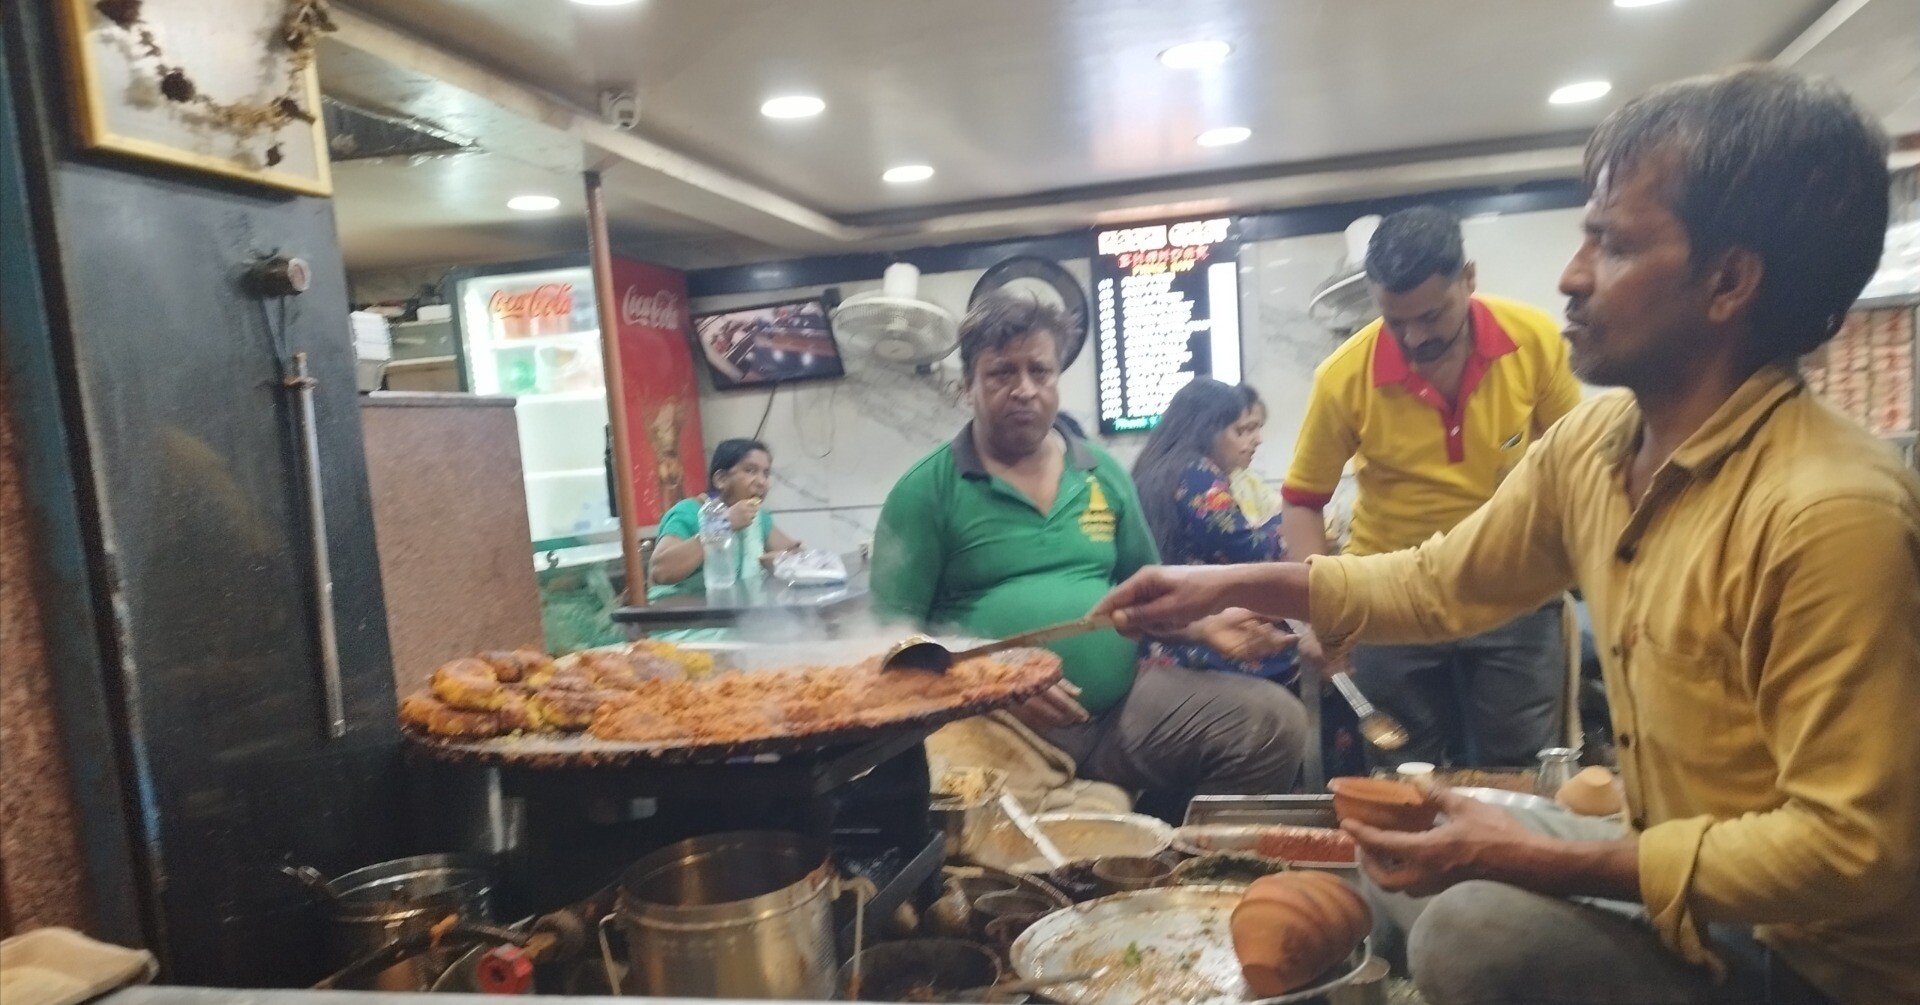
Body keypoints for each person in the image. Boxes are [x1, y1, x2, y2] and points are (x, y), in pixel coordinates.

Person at [1094, 67, 1917, 1005]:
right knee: (1393, 854)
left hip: (1801, 959)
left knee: (1470, 932)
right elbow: (1438, 583)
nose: (1573, 273)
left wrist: (1526, 854)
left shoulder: (1831, 512)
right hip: (1681, 879)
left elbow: (1855, 850)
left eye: (1613, 244)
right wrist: (1224, 587)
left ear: (1729, 281)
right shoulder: (1596, 447)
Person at [872, 295, 1310, 818]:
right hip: (993, 726)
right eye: (1001, 373)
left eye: (1040, 370)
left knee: (1274, 725)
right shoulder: (925, 491)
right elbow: (887, 650)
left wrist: (1203, 626)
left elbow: (1144, 595)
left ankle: (1182, 849)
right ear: (968, 385)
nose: (1024, 388)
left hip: (1119, 711)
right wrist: (988, 678)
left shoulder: (1101, 472)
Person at [1280, 205, 1585, 767]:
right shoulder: (1344, 377)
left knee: (1519, 767)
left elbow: (1577, 460)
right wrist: (1320, 611)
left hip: (1512, 585)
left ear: (1468, 279)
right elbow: (1302, 501)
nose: (1415, 337)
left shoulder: (1534, 340)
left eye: (1431, 316)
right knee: (1403, 772)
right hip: (1390, 597)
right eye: (1395, 321)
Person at [1130, 378, 1298, 683]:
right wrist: (1295, 519)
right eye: (1239, 431)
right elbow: (1247, 549)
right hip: (1194, 640)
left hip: (1161, 634)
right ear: (1210, 430)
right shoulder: (1197, 472)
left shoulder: (1153, 469)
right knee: (1301, 651)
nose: (1252, 441)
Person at [648, 438, 802, 603]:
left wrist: (779, 561)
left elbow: (797, 554)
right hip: (682, 615)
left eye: (765, 473)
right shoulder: (688, 512)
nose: (762, 482)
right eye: (750, 471)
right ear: (721, 479)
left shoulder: (758, 517)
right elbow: (660, 571)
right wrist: (722, 524)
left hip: (736, 612)